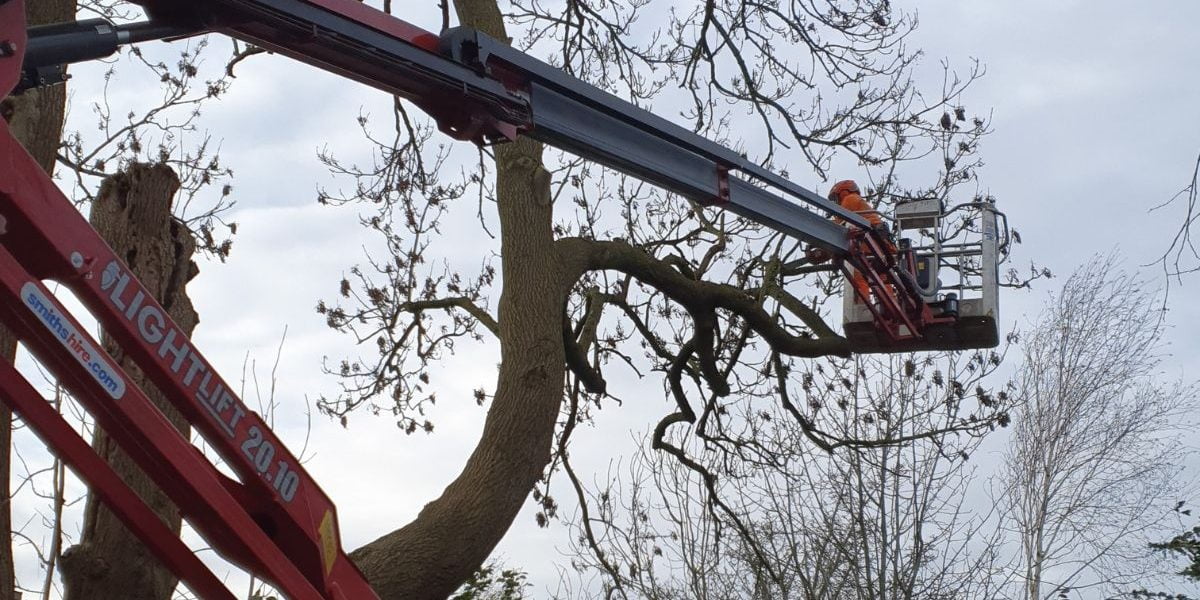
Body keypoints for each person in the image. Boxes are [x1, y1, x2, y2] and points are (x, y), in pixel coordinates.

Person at [806, 180, 894, 301]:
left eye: (835, 198)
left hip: (870, 239)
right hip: (879, 240)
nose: (835, 202)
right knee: (882, 276)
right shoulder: (856, 202)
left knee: (858, 276)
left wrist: (820, 241)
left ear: (842, 192)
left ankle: (862, 306)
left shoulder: (849, 199)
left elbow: (838, 228)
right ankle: (889, 302)